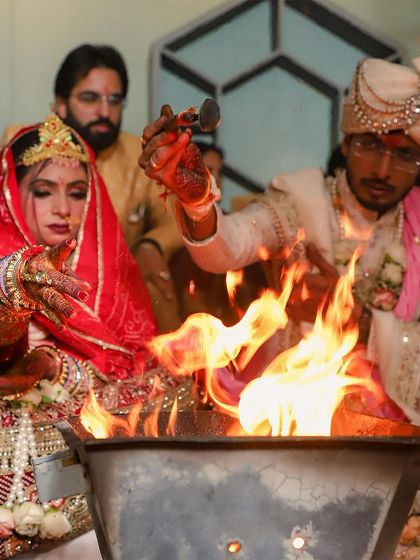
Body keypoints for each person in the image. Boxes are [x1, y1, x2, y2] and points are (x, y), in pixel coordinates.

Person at [139, 56, 420, 427]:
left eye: (404, 154)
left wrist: (362, 323)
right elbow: (231, 245)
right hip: (287, 416)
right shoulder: (302, 203)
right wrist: (198, 202)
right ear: (347, 143)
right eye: (369, 145)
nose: (383, 170)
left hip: (392, 428)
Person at [0, 114, 192, 558]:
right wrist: (14, 288)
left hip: (80, 482)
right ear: (11, 193)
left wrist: (61, 370)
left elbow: (137, 376)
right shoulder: (8, 266)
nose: (63, 208)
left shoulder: (110, 275)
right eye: (43, 191)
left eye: (77, 192)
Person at [2, 44, 182, 332]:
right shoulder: (26, 147)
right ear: (61, 104)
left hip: (112, 289)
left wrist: (151, 245)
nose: (104, 111)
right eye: (90, 98)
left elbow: (175, 215)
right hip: (26, 282)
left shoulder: (139, 155)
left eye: (114, 100)